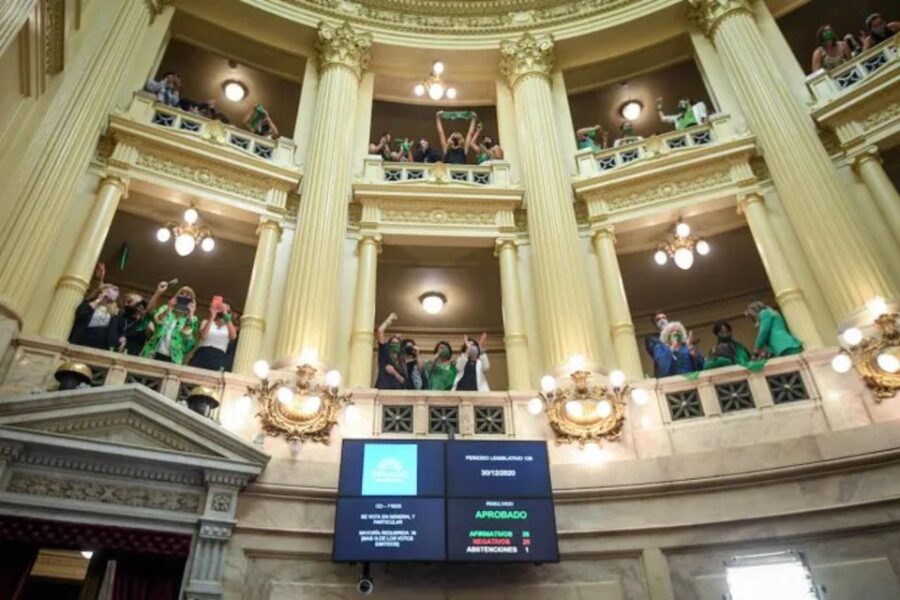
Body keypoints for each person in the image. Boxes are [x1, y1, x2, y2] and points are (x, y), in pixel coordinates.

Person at [141, 286, 200, 364]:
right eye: (181, 293)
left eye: (188, 296)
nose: (184, 296)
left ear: (191, 301)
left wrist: (190, 314)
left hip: (173, 358)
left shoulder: (193, 319)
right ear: (176, 296)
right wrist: (169, 308)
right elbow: (158, 320)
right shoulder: (165, 308)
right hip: (153, 352)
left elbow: (187, 333)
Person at [119, 280, 170, 356]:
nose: (128, 304)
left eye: (138, 303)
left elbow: (150, 311)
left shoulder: (145, 321)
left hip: (134, 355)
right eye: (128, 302)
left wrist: (158, 293)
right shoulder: (121, 317)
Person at [68, 284, 123, 351]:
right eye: (109, 292)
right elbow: (81, 315)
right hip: (81, 343)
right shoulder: (88, 304)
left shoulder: (113, 312)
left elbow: (116, 331)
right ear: (100, 292)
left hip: (100, 347)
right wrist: (98, 301)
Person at [189, 300, 237, 371]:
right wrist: (212, 316)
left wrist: (226, 316)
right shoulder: (206, 321)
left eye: (227, 311)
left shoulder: (230, 327)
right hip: (202, 353)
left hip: (218, 355)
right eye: (221, 309)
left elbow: (233, 336)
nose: (223, 312)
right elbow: (203, 336)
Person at [374, 312, 406, 389]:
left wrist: (394, 373)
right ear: (389, 345)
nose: (396, 345)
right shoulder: (385, 353)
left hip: (397, 393)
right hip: (383, 390)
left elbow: (404, 381)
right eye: (393, 343)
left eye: (398, 344)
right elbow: (380, 331)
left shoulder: (402, 361)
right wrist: (389, 320)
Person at [644, 312, 669, 377]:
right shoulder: (651, 339)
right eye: (658, 319)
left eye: (664, 318)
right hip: (664, 374)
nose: (662, 320)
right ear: (655, 324)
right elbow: (654, 353)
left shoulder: (677, 335)